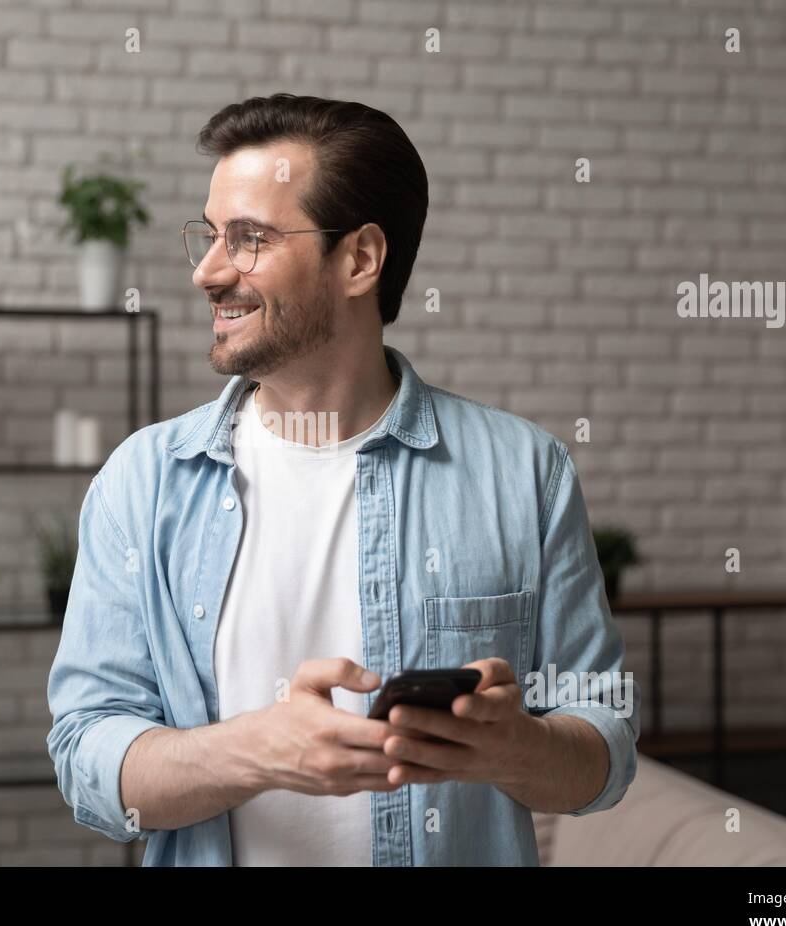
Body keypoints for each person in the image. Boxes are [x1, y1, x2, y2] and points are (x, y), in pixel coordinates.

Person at [47, 93, 639, 866]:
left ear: (359, 259)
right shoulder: (143, 482)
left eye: (249, 239)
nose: (206, 271)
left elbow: (605, 746)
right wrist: (254, 750)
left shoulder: (524, 474)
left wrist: (512, 747)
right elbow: (87, 761)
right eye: (210, 235)